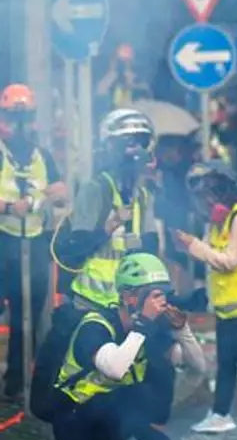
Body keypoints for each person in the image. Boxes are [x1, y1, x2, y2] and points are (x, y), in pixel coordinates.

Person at [49, 253, 201, 440]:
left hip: (121, 421)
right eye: (153, 295)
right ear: (129, 297)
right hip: (78, 422)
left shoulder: (148, 329)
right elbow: (115, 369)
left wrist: (182, 330)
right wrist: (143, 326)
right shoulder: (95, 326)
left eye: (163, 294)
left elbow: (198, 367)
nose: (160, 302)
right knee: (112, 407)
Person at [176, 161, 237, 435]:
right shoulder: (216, 224)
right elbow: (212, 259)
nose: (204, 203)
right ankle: (220, 413)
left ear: (222, 192)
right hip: (226, 308)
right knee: (227, 363)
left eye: (208, 196)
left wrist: (194, 246)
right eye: (200, 198)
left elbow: (228, 261)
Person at [0, 84, 69, 399]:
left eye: (25, 116)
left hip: (36, 244)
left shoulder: (42, 155)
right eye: (13, 117)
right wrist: (8, 207)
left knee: (27, 315)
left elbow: (60, 190)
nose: (20, 124)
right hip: (4, 242)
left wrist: (58, 193)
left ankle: (17, 382)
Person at [53, 109, 159, 312]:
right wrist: (108, 228)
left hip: (128, 305)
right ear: (112, 147)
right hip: (91, 301)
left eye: (141, 142)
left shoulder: (144, 196)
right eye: (129, 143)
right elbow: (76, 247)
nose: (135, 150)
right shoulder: (95, 189)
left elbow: (150, 251)